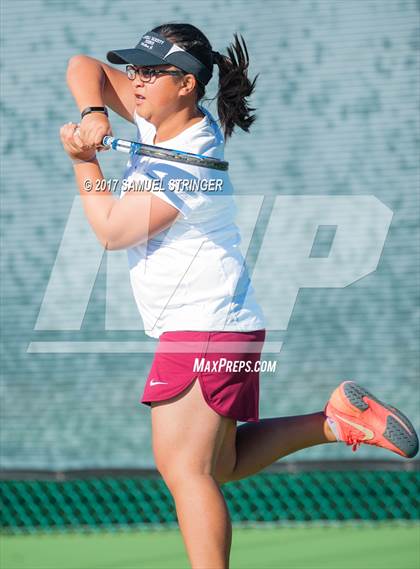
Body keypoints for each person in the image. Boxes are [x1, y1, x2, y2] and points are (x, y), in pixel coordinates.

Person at [60, 22, 419, 569]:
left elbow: (111, 231)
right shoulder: (159, 116)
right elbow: (82, 66)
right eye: (134, 69)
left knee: (186, 470)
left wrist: (84, 162)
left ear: (186, 84)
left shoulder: (188, 161)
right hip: (219, 322)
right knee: (218, 463)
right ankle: (336, 420)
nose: (135, 82)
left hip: (201, 322)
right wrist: (94, 114)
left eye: (150, 73)